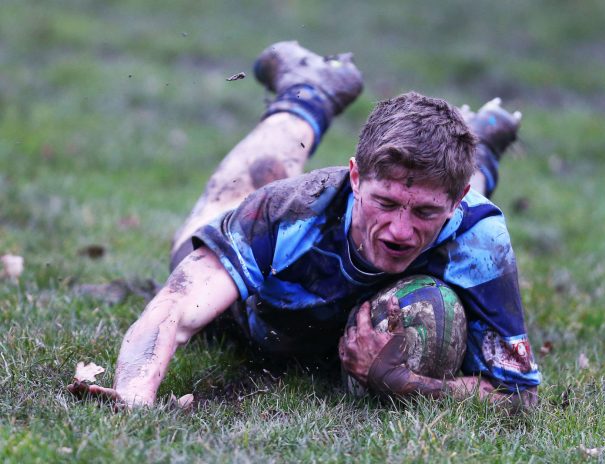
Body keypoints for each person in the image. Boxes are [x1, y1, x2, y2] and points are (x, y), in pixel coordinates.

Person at [69, 41, 541, 409]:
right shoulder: (292, 213)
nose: (400, 231)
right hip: (262, 318)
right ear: (355, 177)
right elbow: (174, 308)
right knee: (245, 187)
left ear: (458, 201)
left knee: (440, 197)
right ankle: (309, 90)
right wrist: (134, 399)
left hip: (437, 215)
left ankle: (478, 148)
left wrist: (402, 383)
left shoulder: (479, 236)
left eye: (424, 214)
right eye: (384, 203)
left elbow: (518, 396)